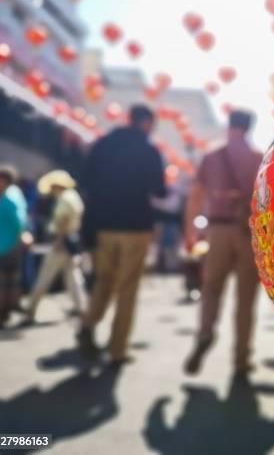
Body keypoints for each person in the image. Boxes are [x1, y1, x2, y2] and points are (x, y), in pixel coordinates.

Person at [77, 105, 166, 364]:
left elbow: (86, 182)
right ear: (147, 123)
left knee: (104, 280)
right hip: (136, 226)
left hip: (104, 225)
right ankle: (117, 349)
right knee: (127, 288)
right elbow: (159, 191)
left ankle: (88, 323)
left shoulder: (103, 145)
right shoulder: (149, 151)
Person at [183, 110, 262, 375]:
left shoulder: (212, 156)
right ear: (249, 127)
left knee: (211, 289)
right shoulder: (259, 158)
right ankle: (241, 360)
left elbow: (196, 195)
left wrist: (190, 232)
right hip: (248, 235)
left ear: (229, 125)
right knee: (246, 300)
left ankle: (205, 332)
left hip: (217, 230)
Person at [23, 170, 86, 323]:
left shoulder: (64, 198)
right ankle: (82, 308)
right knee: (72, 276)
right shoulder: (73, 196)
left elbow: (63, 219)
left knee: (46, 275)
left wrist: (59, 239)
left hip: (62, 242)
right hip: (70, 241)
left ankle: (31, 309)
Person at [0, 164, 27, 329]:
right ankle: (4, 313)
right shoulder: (13, 193)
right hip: (6, 244)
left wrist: (21, 234)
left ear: (3, 180)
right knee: (8, 282)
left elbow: (18, 220)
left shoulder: (8, 197)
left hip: (3, 246)